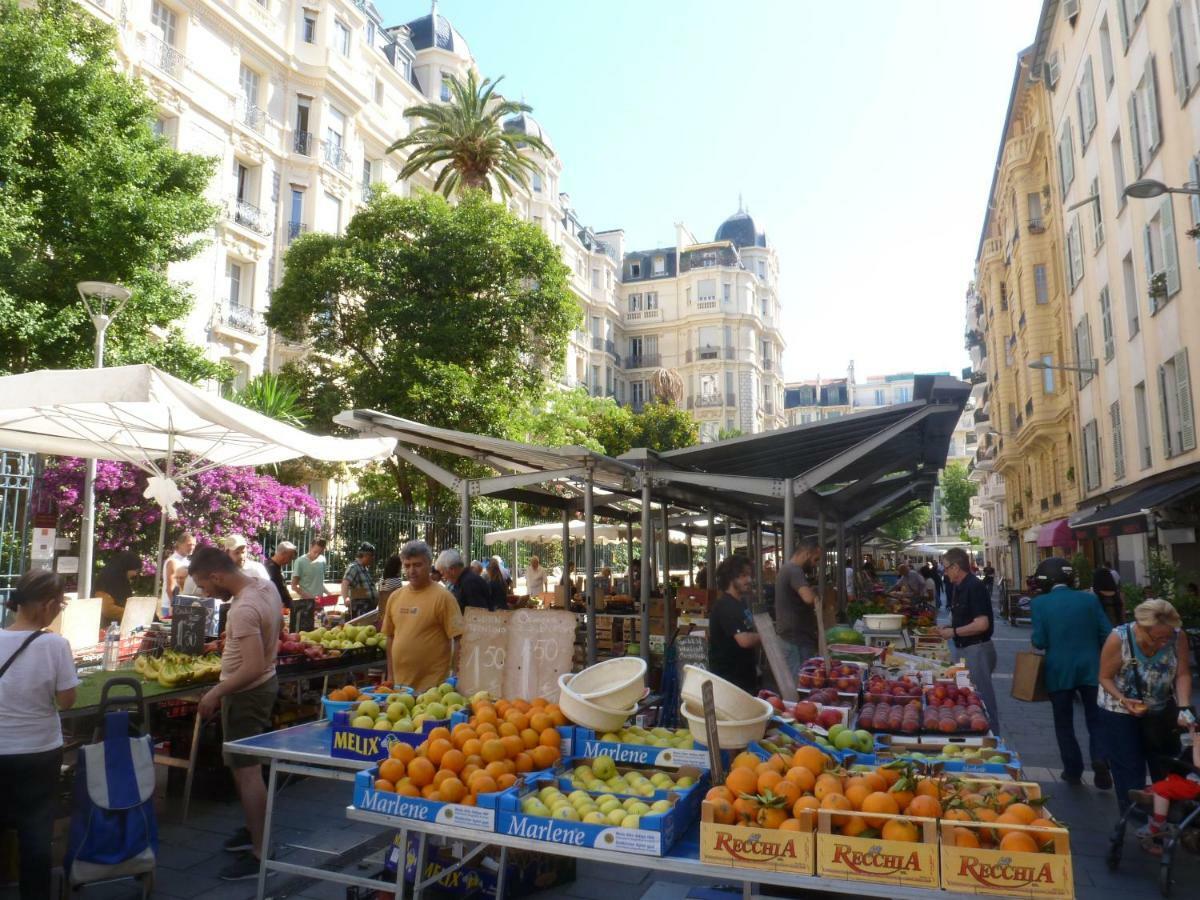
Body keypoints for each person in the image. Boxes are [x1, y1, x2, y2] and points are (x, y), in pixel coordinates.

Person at [190, 546, 281, 880]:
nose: (203, 591)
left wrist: (216, 692)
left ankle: (260, 853)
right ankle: (253, 829)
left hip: (246, 694)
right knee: (244, 767)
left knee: (247, 772)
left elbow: (253, 666)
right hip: (260, 687)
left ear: (216, 576)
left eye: (202, 584)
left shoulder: (242, 608)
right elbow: (276, 632)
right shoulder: (265, 585)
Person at [0, 570, 78, 898]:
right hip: (39, 751)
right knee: (35, 833)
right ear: (47, 606)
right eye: (60, 603)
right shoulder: (55, 645)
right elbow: (66, 700)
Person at [1096, 599, 1194, 815]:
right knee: (1129, 768)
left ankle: (1160, 818)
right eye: (1158, 638)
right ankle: (1135, 819)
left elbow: (1183, 673)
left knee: (1165, 767)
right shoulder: (1119, 638)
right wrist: (1124, 699)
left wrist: (1184, 706)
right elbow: (1104, 677)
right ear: (1141, 627)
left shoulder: (1177, 636)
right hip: (1119, 710)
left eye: (1167, 637)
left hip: (1159, 711)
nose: (1163, 643)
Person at [1030, 556, 1113, 789]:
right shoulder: (1089, 600)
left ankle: (1073, 770)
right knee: (1096, 720)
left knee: (1064, 722)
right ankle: (1099, 758)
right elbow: (1107, 633)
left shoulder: (1040, 603)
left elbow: (1039, 640)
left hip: (1059, 670)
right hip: (1092, 668)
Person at [381, 540, 464, 691]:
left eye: (417, 565)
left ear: (429, 564)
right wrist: (390, 676)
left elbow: (459, 638)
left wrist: (455, 674)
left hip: (432, 690)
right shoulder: (395, 597)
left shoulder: (443, 597)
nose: (412, 570)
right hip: (400, 687)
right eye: (407, 565)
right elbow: (390, 637)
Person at [940, 547, 1001, 733]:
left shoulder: (974, 586)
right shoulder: (960, 586)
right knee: (970, 698)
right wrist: (946, 627)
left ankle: (993, 738)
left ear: (956, 567)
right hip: (966, 650)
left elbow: (982, 624)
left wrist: (954, 632)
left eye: (946, 567)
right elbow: (960, 614)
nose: (945, 571)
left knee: (981, 698)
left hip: (977, 649)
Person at [1133, 719, 1200, 852]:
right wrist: (1193, 733)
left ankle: (1157, 823)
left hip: (1195, 785)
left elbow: (1198, 765)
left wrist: (1196, 745)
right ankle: (1151, 794)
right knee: (1168, 781)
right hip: (1187, 777)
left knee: (1164, 789)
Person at [708, 554, 760, 693]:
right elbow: (744, 640)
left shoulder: (739, 603)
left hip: (743, 678)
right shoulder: (726, 606)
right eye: (743, 575)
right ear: (731, 578)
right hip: (730, 682)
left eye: (749, 575)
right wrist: (766, 635)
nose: (749, 579)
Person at [774, 538, 821, 679]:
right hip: (795, 641)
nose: (815, 564)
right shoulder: (794, 570)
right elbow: (808, 598)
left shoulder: (787, 569)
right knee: (800, 686)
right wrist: (817, 597)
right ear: (806, 554)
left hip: (794, 639)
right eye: (815, 559)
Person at [95, 550, 142, 626]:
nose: (135, 573)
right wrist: (131, 613)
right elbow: (107, 609)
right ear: (126, 567)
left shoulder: (121, 580)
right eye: (134, 570)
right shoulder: (106, 579)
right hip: (107, 628)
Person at [161, 531, 195, 616]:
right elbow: (170, 588)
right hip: (170, 607)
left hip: (183, 606)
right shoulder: (173, 561)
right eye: (189, 544)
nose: (192, 547)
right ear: (179, 544)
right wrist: (174, 607)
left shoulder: (187, 561)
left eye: (194, 545)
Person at [341, 542, 377, 614]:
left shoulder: (364, 569)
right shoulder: (354, 567)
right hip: (360, 609)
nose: (373, 558)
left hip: (368, 608)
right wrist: (346, 598)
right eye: (372, 556)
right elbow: (345, 583)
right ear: (366, 555)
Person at [262, 541, 297, 610]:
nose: (290, 561)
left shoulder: (276, 567)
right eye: (290, 557)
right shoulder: (270, 568)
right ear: (283, 553)